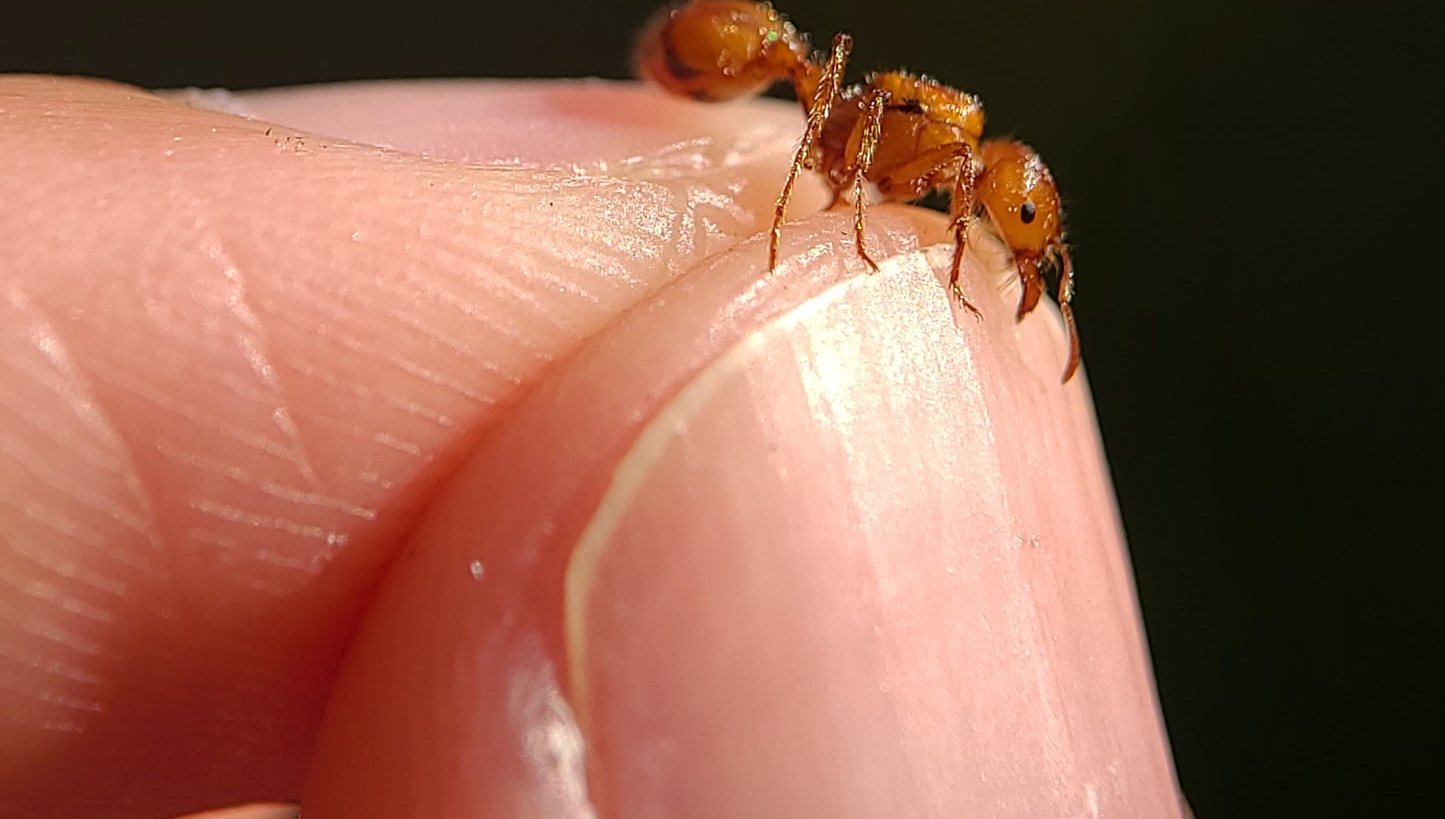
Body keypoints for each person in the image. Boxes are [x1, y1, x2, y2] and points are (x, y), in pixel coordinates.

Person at [0, 76, 1185, 818]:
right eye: (1023, 231)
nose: (1009, 237)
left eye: (1021, 235)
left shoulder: (947, 169)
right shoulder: (910, 138)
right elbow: (862, 113)